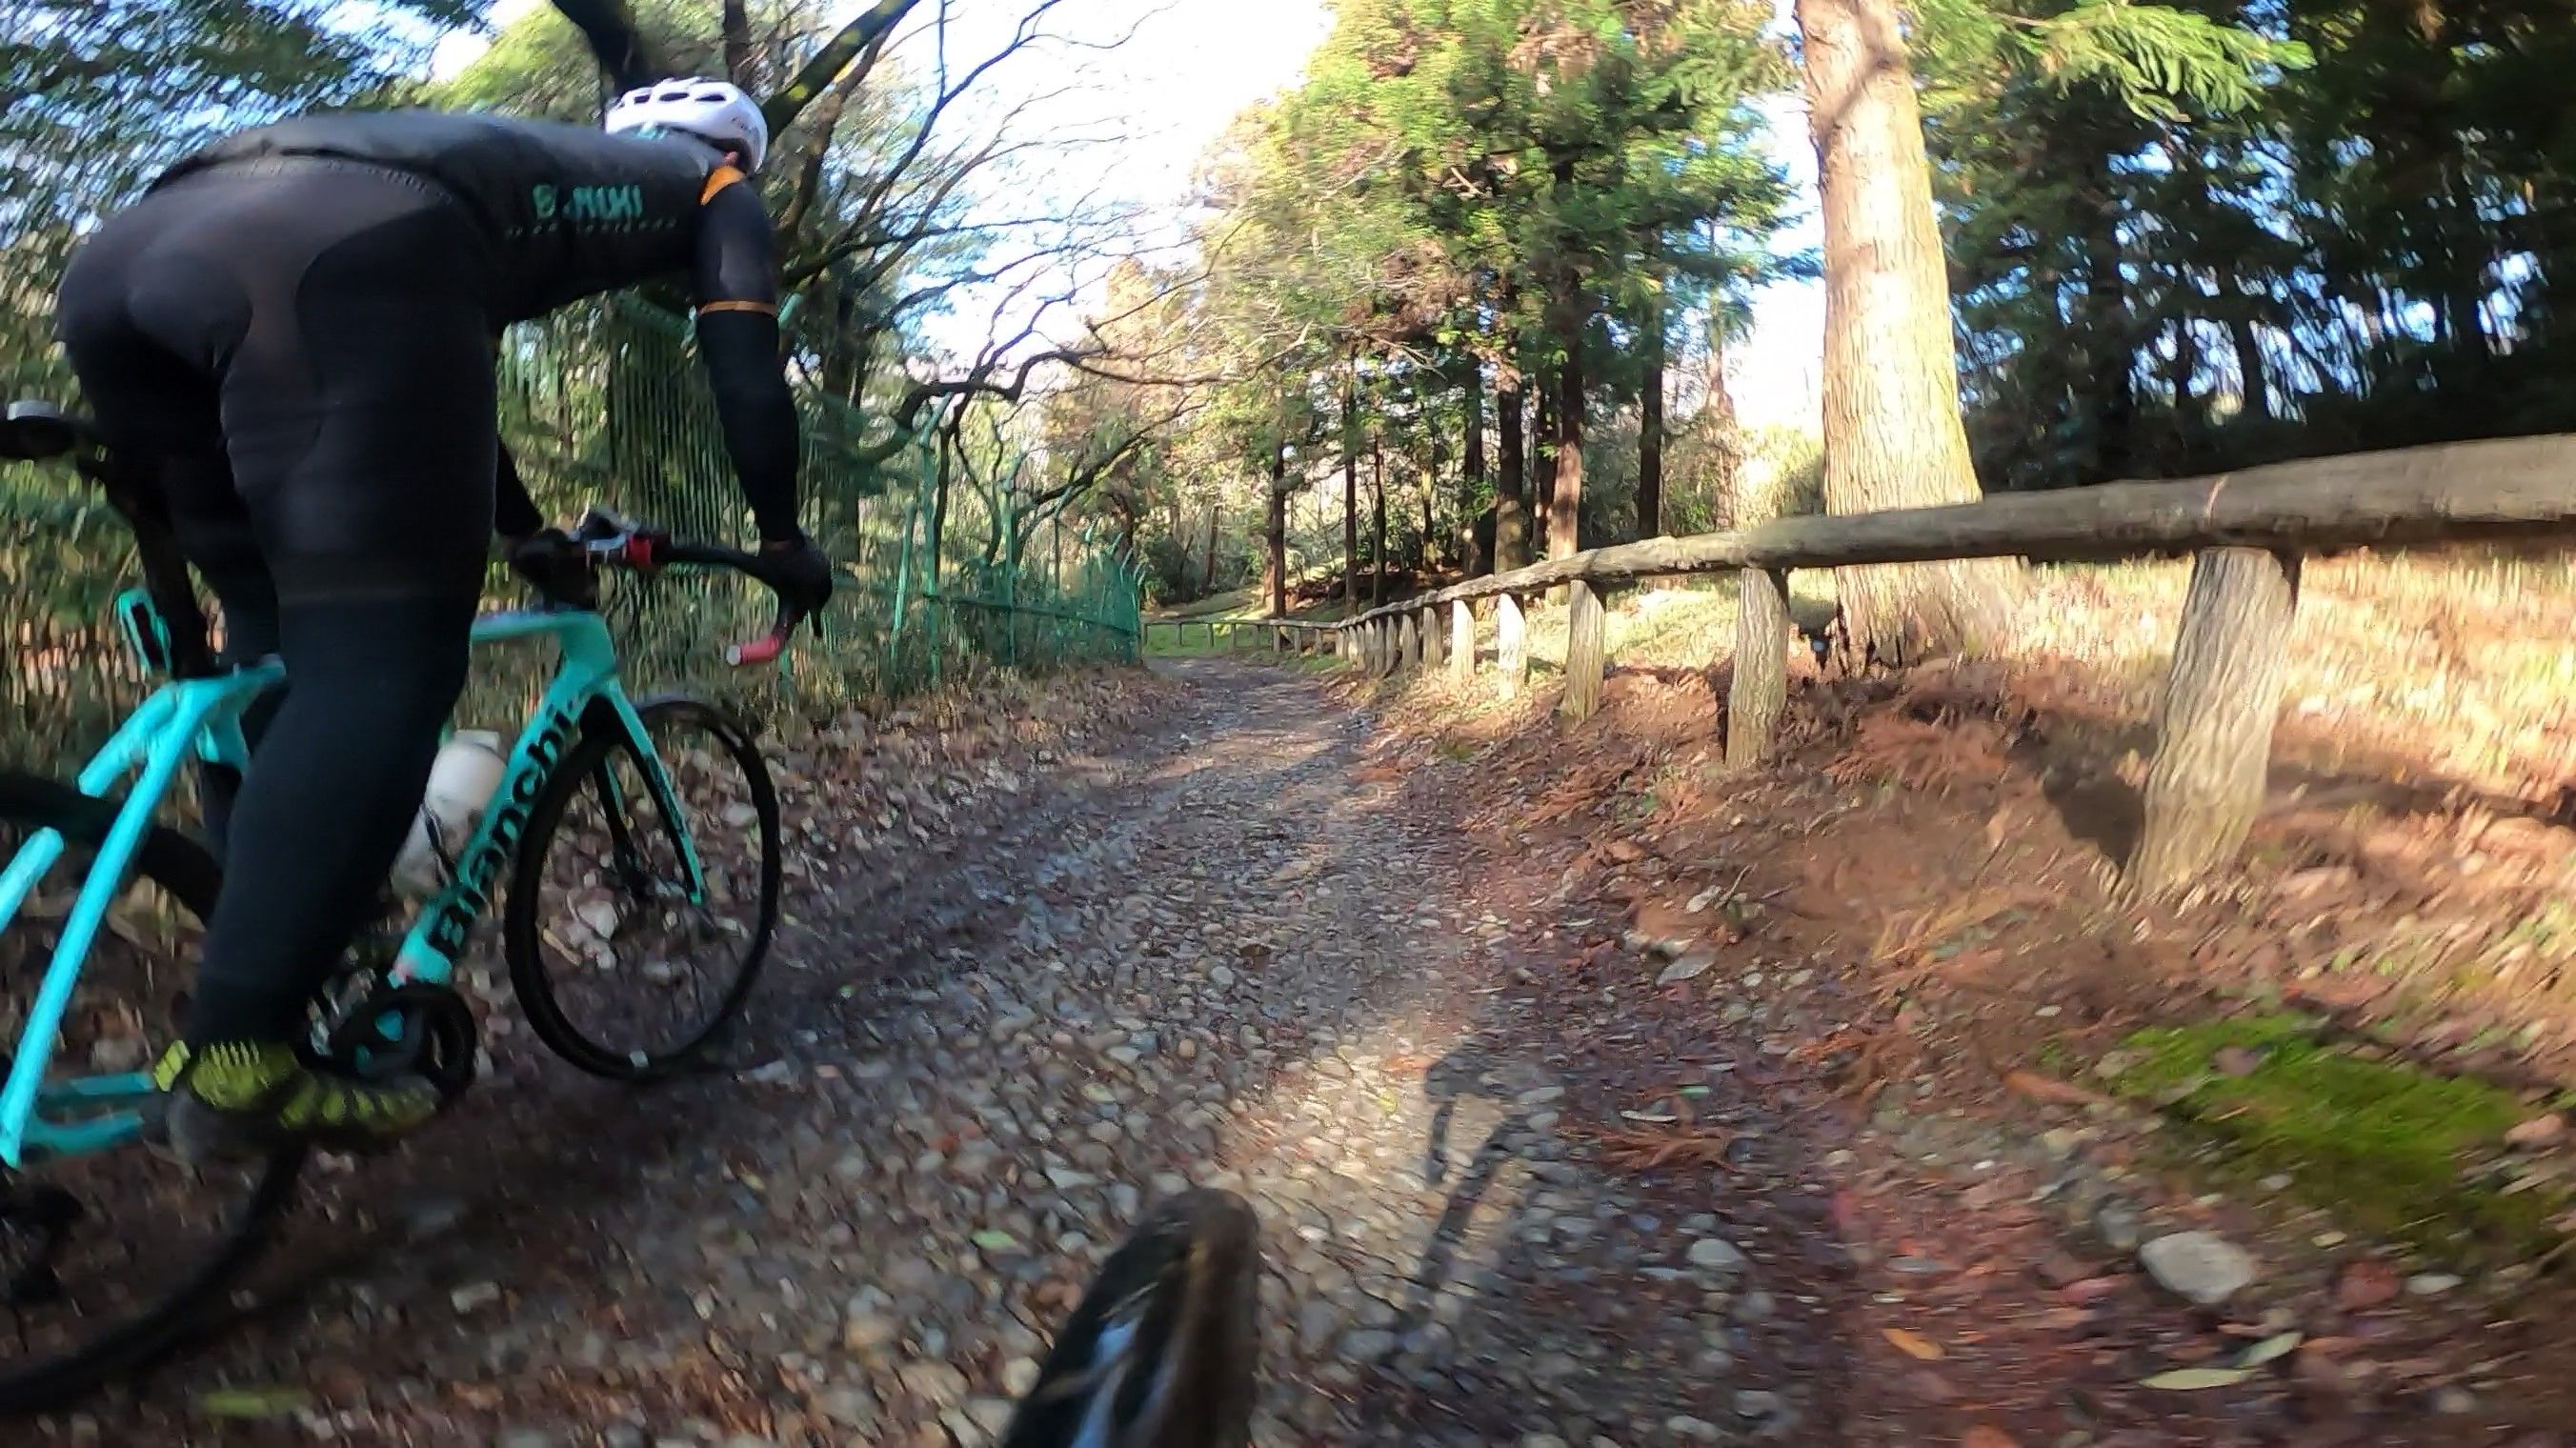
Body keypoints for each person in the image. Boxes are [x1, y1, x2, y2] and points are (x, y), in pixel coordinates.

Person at [52, 79, 835, 1162]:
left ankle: (280, 934)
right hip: (338, 255)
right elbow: (745, 370)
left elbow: (421, 367)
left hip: (129, 257)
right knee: (380, 666)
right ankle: (237, 1056)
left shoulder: (503, 155)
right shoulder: (714, 188)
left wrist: (520, 531)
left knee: (270, 639)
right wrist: (785, 537)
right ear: (738, 154)